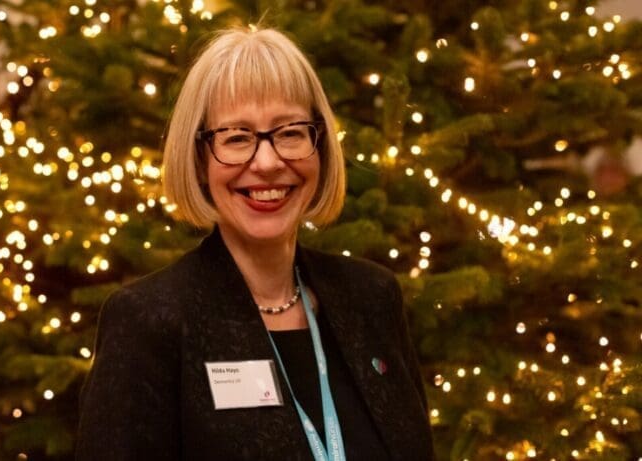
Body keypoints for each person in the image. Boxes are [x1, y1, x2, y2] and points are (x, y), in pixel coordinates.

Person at [76, 26, 434, 460]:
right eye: (237, 137)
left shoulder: (372, 298)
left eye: (290, 133)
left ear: (319, 145)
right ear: (199, 159)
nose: (267, 162)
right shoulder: (149, 321)